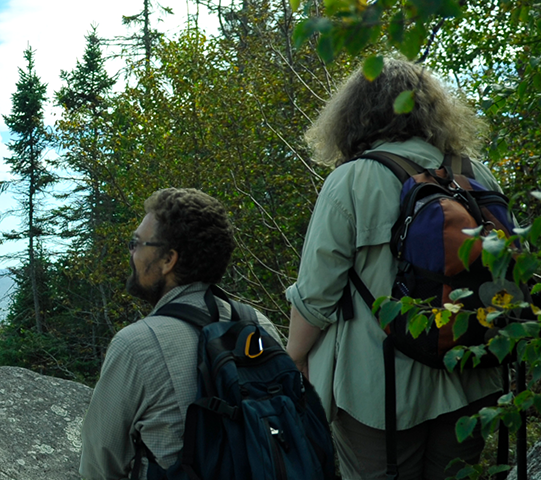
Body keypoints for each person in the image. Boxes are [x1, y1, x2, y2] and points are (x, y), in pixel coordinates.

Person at [282, 57, 506, 480]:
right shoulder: (475, 174)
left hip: (379, 391)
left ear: (352, 114)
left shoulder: (350, 181)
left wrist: (292, 360)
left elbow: (315, 297)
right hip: (473, 372)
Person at [79, 188, 282, 479]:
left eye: (136, 243)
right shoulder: (259, 325)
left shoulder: (136, 344)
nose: (131, 252)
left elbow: (100, 463)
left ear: (168, 260)